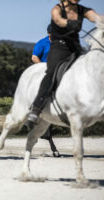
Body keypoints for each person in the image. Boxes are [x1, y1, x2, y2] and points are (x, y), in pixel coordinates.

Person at [25, 0, 101, 130]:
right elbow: (58, 19)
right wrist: (69, 23)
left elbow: (97, 17)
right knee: (51, 72)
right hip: (59, 47)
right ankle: (36, 108)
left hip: (75, 48)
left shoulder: (83, 10)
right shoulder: (57, 9)